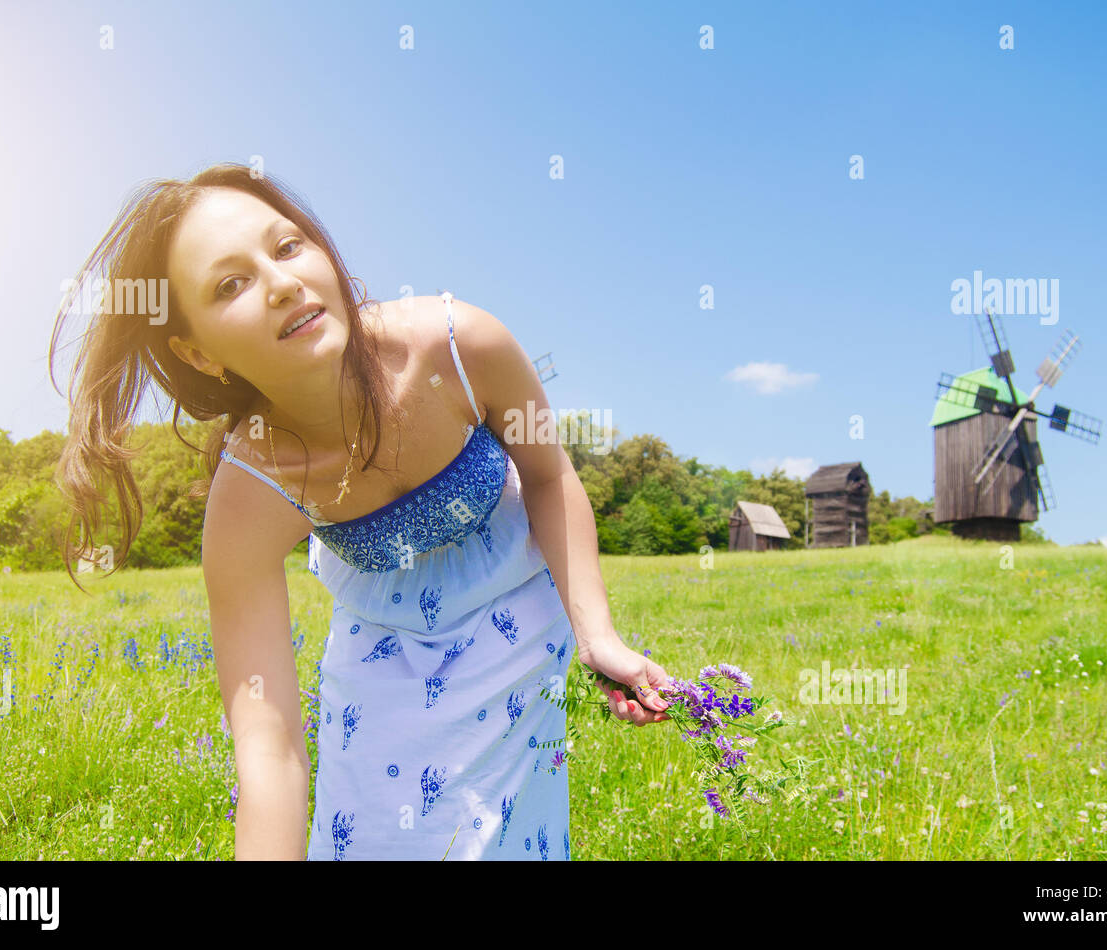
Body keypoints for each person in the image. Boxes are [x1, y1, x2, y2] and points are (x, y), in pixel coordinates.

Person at [48, 163, 673, 860]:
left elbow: (550, 478)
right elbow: (269, 741)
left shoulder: (459, 346)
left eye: (288, 247)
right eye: (231, 285)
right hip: (383, 649)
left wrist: (598, 634)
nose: (282, 283)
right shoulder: (251, 488)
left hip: (519, 612)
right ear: (198, 351)